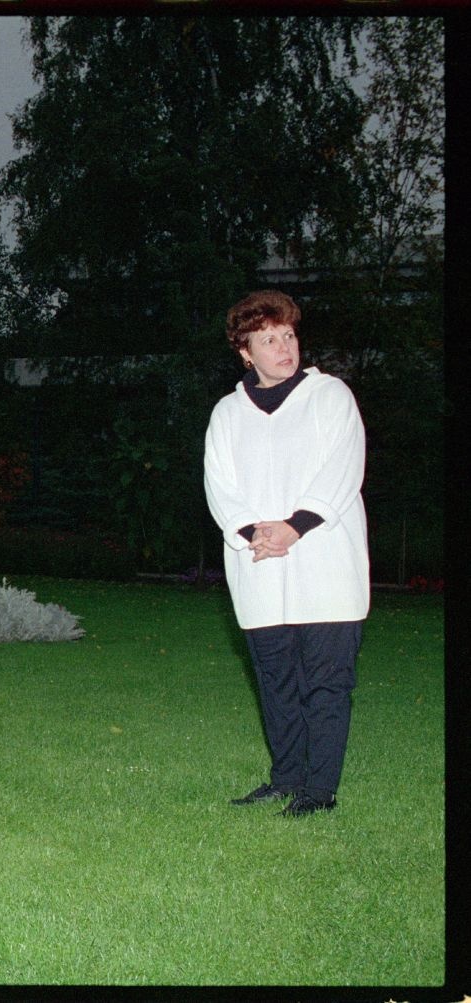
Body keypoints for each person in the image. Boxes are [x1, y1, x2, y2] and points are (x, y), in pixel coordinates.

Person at [203, 290, 370, 817]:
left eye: (289, 335)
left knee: (325, 685)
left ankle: (319, 792)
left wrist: (295, 527)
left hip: (325, 568)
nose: (284, 347)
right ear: (245, 352)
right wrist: (254, 530)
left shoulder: (330, 396)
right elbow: (220, 485)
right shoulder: (228, 413)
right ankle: (286, 779)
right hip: (258, 566)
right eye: (269, 339)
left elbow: (343, 469)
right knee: (277, 683)